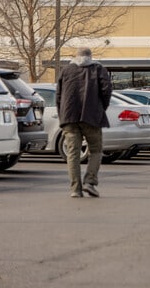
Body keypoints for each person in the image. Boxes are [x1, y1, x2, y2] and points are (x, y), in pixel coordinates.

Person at [56, 47, 112, 198]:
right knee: (96, 150)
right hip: (92, 116)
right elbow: (107, 91)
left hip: (69, 117)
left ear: (76, 56)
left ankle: (75, 189)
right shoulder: (98, 69)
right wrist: (101, 109)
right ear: (90, 56)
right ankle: (90, 182)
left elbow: (59, 95)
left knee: (73, 154)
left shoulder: (66, 70)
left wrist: (62, 115)